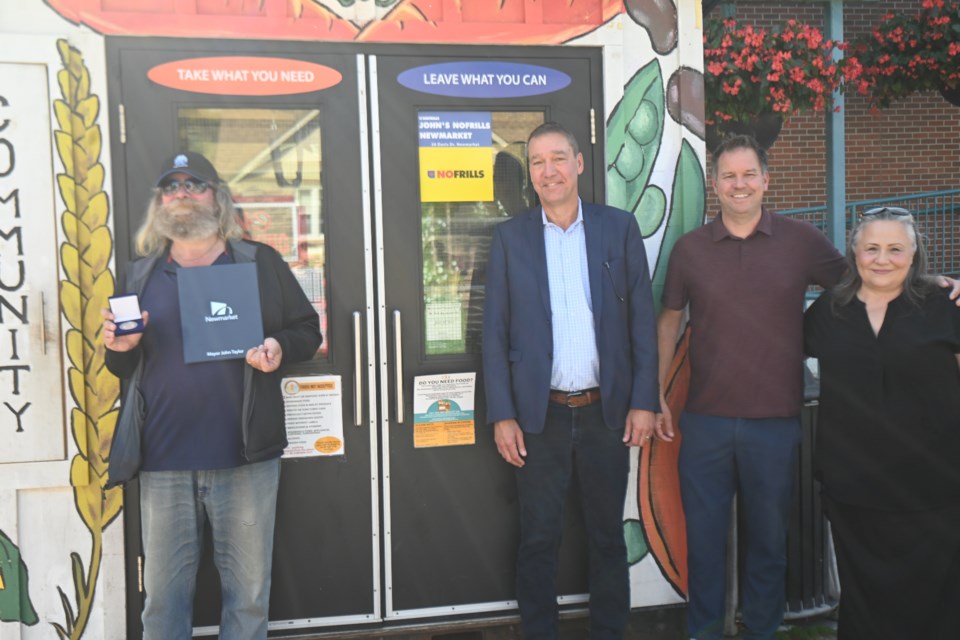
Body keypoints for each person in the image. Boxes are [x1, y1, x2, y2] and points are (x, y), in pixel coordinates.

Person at [657, 135, 960, 640]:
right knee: (704, 545)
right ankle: (703, 632)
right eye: (728, 175)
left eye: (749, 174)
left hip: (776, 422)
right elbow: (668, 322)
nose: (739, 184)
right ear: (714, 183)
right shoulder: (690, 250)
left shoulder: (801, 240)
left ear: (766, 181)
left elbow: (869, 279)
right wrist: (656, 395)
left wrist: (935, 285)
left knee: (770, 545)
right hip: (705, 419)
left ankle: (762, 631)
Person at [102, 152, 322, 640]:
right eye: (171, 187)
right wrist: (118, 348)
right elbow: (123, 368)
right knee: (162, 603)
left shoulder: (258, 262)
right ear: (161, 203)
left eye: (193, 184)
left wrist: (278, 348)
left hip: (244, 461)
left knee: (247, 599)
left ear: (218, 198)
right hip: (163, 462)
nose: (181, 194)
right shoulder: (139, 276)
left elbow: (307, 329)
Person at [482, 122, 660, 638]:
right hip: (540, 418)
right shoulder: (510, 238)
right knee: (538, 539)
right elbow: (493, 335)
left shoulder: (617, 228)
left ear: (579, 164)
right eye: (537, 162)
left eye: (558, 158)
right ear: (529, 174)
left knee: (607, 539)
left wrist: (644, 401)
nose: (548, 171)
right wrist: (503, 414)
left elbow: (641, 324)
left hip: (607, 413)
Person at [803, 207, 960, 639]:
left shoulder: (945, 307)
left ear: (914, 254)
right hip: (854, 488)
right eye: (871, 248)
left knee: (935, 598)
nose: (882, 258)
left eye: (895, 248)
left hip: (933, 486)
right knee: (865, 598)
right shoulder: (828, 312)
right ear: (854, 253)